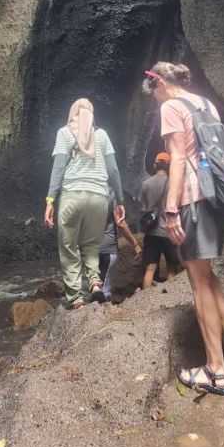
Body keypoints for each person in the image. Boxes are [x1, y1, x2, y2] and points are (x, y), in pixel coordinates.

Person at [143, 62, 224, 396]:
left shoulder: (172, 107)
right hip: (217, 196)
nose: (156, 102)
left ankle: (216, 371)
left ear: (160, 84)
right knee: (203, 270)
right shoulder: (206, 104)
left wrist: (171, 208)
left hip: (193, 199)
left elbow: (177, 159)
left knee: (198, 281)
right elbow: (223, 153)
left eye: (154, 95)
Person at [44, 98, 125, 310]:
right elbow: (113, 170)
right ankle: (95, 284)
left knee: (69, 247)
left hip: (72, 196)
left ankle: (76, 300)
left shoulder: (64, 133)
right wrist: (120, 200)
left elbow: (58, 168)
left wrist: (50, 200)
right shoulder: (102, 135)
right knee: (91, 244)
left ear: (72, 114)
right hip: (99, 198)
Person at [139, 152, 178, 289]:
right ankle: (172, 298)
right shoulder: (174, 184)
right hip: (169, 231)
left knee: (150, 269)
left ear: (155, 165)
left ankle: (145, 299)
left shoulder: (146, 184)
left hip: (152, 232)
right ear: (169, 166)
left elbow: (143, 208)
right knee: (172, 268)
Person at [99, 191, 142, 301]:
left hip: (88, 248)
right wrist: (135, 244)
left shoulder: (83, 192)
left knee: (95, 282)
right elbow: (120, 223)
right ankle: (102, 307)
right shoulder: (110, 193)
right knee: (105, 287)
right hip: (107, 248)